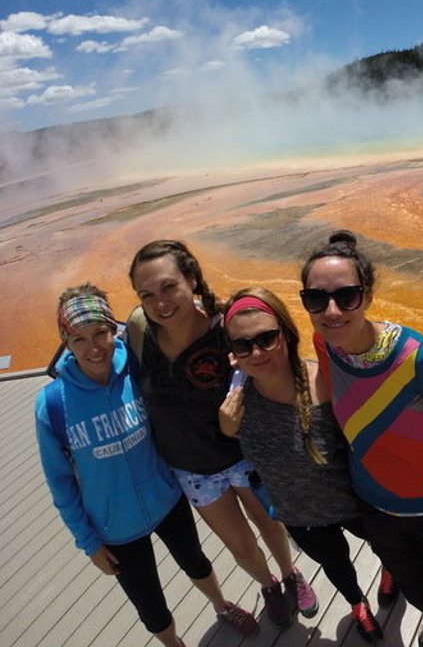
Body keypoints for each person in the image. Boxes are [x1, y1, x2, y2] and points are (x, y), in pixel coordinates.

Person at [35, 284, 254, 647]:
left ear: (112, 329)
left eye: (101, 333)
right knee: (148, 602)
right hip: (113, 526)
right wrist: (88, 542)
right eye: (79, 339)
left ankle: (220, 605)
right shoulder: (54, 405)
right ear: (66, 342)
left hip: (165, 498)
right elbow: (60, 483)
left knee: (196, 561)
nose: (94, 348)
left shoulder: (135, 369)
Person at [300, 230, 423, 647]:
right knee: (412, 583)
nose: (331, 311)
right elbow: (335, 396)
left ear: (366, 297)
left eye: (346, 296)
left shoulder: (419, 357)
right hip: (375, 505)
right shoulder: (325, 342)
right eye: (316, 299)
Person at [128, 240, 314, 630]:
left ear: (191, 278)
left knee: (269, 524)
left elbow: (271, 366)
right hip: (191, 467)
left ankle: (290, 572)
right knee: (240, 544)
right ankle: (269, 586)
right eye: (147, 294)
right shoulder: (139, 331)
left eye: (168, 287)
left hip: (245, 454)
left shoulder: (225, 328)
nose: (159, 302)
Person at [218, 287, 394, 642]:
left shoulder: (325, 381)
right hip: (300, 516)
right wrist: (225, 428)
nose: (256, 352)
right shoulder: (235, 408)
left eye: (267, 338)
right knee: (337, 565)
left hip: (355, 502)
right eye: (243, 345)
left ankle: (390, 571)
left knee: (385, 545)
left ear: (287, 332)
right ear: (233, 353)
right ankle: (357, 604)